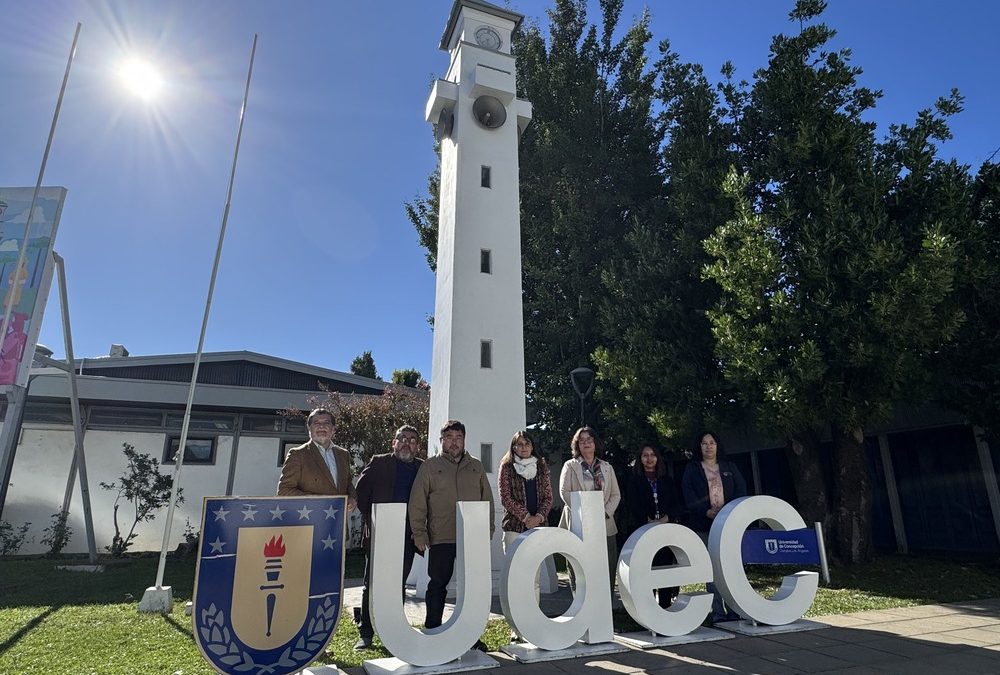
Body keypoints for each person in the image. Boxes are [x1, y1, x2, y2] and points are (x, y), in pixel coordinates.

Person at [408, 420, 494, 644]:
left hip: (471, 538)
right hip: (441, 537)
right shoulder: (429, 466)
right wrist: (419, 533)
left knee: (472, 587)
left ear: (464, 440)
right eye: (449, 438)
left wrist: (488, 529)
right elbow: (417, 501)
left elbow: (487, 500)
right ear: (441, 441)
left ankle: (471, 637)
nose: (454, 442)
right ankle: (433, 631)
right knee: (437, 585)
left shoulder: (476, 465)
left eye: (458, 437)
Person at [352, 425, 424, 650]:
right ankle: (366, 633)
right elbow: (361, 494)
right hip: (380, 534)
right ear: (394, 443)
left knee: (398, 583)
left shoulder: (423, 468)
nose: (406, 442)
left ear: (417, 446)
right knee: (371, 583)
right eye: (401, 438)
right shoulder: (379, 462)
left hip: (408, 535)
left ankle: (393, 629)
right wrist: (372, 521)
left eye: (412, 440)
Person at [682, 431, 747, 623]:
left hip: (728, 525)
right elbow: (689, 494)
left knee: (730, 568)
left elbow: (741, 489)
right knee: (711, 570)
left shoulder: (730, 467)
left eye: (712, 443)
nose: (708, 446)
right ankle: (718, 611)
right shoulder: (692, 469)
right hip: (704, 525)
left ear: (718, 446)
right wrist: (705, 511)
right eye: (704, 443)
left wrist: (727, 511)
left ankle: (735, 609)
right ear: (699, 447)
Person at [558, 426, 621, 593]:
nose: (586, 443)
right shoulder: (570, 466)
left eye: (589, 439)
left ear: (595, 443)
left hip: (604, 524)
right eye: (582, 440)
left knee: (606, 566)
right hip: (579, 524)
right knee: (579, 568)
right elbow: (564, 492)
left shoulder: (607, 467)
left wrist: (603, 513)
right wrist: (584, 512)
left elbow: (615, 495)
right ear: (577, 445)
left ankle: (605, 606)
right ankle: (580, 608)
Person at [497, 430, 553, 605]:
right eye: (519, 444)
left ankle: (532, 620)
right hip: (514, 528)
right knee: (516, 576)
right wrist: (526, 517)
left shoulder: (541, 466)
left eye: (527, 443)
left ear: (532, 446)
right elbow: (505, 497)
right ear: (513, 447)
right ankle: (516, 625)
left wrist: (538, 517)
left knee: (533, 575)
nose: (524, 447)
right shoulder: (506, 466)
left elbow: (548, 497)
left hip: (537, 527)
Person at [625, 443, 681, 609]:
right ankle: (649, 607)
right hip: (643, 530)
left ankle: (664, 605)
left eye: (652, 455)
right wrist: (646, 520)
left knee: (664, 568)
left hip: (665, 529)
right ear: (640, 459)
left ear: (658, 458)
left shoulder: (667, 480)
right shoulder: (634, 481)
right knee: (647, 568)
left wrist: (667, 518)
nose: (649, 458)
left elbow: (676, 504)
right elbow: (632, 504)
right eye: (645, 455)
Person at [277, 408, 357, 513]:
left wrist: (352, 498)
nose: (321, 426)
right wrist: (321, 501)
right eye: (316, 423)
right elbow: (284, 491)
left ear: (333, 429)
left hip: (338, 523)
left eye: (326, 423)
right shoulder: (297, 454)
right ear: (309, 428)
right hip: (310, 521)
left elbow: (348, 484)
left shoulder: (343, 454)